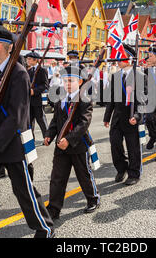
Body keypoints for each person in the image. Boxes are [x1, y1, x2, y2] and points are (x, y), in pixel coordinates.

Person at [0, 24, 54, 238]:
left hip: (10, 143)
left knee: (24, 191)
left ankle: (45, 228)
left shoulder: (18, 73)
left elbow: (17, 116)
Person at [44, 64, 100, 220]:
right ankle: (54, 208)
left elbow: (84, 123)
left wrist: (68, 140)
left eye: (71, 81)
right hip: (60, 146)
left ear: (80, 82)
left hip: (78, 144)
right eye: (65, 81)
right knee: (57, 178)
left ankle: (93, 198)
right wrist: (49, 134)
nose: (67, 84)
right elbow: (56, 120)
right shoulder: (61, 98)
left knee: (84, 175)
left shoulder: (84, 99)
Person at [103, 44, 145, 185]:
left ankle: (134, 173)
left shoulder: (138, 76)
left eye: (121, 57)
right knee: (115, 144)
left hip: (131, 116)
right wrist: (107, 116)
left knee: (133, 146)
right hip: (117, 117)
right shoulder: (115, 76)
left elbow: (143, 100)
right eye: (118, 57)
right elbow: (111, 99)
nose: (118, 60)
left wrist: (138, 116)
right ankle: (121, 168)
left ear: (130, 59)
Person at [25, 51, 49, 139]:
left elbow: (45, 85)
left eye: (29, 59)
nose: (27, 60)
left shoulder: (42, 70)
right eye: (27, 59)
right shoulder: (29, 70)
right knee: (29, 121)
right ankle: (31, 139)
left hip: (38, 99)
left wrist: (34, 91)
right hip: (29, 100)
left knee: (41, 120)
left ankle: (47, 137)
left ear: (35, 60)